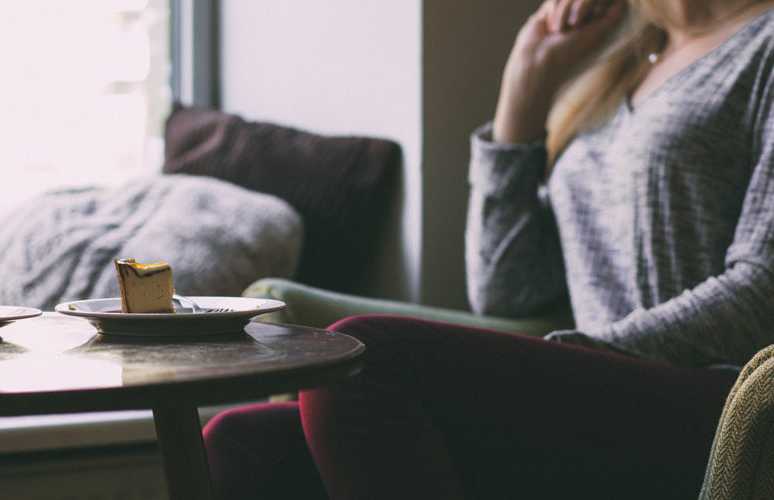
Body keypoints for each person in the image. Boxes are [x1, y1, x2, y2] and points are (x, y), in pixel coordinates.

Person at [202, 0, 774, 497]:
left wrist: (584, 355)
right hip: (600, 390)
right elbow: (508, 286)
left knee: (364, 357)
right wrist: (524, 90)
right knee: (239, 442)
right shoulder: (618, 58)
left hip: (727, 405)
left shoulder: (762, 45)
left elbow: (760, 292)